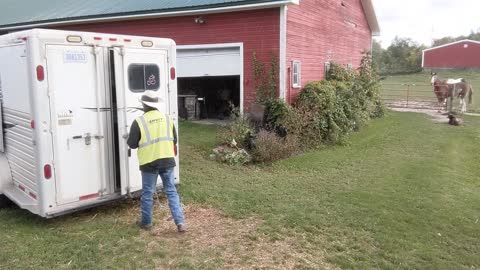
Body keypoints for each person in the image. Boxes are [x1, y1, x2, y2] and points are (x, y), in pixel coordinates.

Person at [127, 90, 186, 232]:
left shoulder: (139, 122)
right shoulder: (167, 119)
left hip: (149, 163)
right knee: (171, 191)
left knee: (147, 193)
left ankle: (146, 223)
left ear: (143, 105)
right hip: (167, 161)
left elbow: (132, 144)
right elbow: (175, 140)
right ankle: (180, 223)